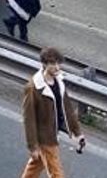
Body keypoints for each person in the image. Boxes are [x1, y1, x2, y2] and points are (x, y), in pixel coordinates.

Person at [20, 47, 84, 178]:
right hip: (45, 138)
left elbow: (68, 109)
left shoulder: (59, 83)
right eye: (53, 64)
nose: (57, 67)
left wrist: (78, 133)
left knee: (35, 166)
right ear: (44, 64)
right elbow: (29, 119)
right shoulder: (34, 88)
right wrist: (32, 146)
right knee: (56, 173)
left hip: (54, 132)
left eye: (58, 63)